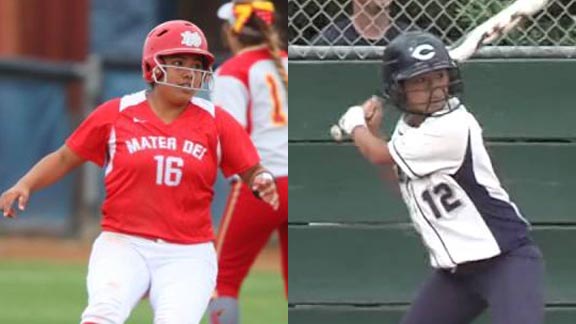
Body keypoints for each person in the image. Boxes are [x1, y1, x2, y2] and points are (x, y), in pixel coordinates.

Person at [0, 20, 279, 324]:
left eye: (197, 63)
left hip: (188, 252)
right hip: (124, 243)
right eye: (179, 62)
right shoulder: (117, 113)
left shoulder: (216, 120)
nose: (189, 71)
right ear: (153, 66)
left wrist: (261, 179)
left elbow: (251, 168)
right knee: (102, 313)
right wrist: (25, 184)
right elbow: (66, 157)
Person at [336, 31, 544, 324]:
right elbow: (398, 179)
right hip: (456, 274)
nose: (434, 88)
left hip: (505, 261)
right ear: (399, 88)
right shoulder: (409, 128)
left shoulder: (452, 125)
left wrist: (355, 123)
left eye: (439, 77)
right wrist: (374, 133)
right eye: (421, 81)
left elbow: (378, 155)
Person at [208, 1, 288, 324]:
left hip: (261, 181)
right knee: (298, 284)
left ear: (232, 32)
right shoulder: (288, 62)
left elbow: (229, 138)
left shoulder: (232, 72)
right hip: (302, 183)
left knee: (220, 278)